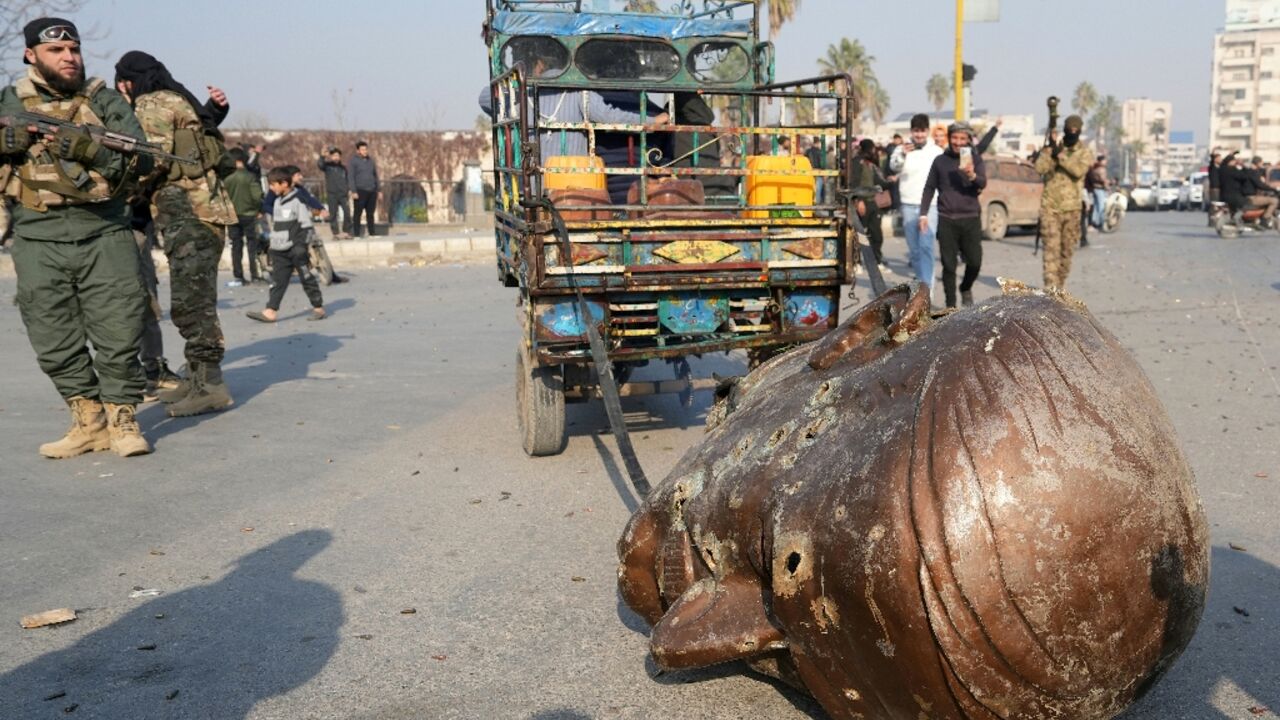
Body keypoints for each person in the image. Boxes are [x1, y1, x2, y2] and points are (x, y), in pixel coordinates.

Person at [0, 18, 153, 457]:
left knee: (119, 327)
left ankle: (122, 418)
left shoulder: (103, 100)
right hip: (37, 235)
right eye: (56, 50)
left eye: (74, 49)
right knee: (51, 333)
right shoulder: (10, 100)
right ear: (31, 55)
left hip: (104, 231)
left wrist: (88, 149)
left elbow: (143, 162)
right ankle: (89, 421)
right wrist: (8, 141)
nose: (69, 57)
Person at [115, 50, 236, 418]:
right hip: (198, 213)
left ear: (128, 82)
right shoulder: (175, 98)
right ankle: (196, 380)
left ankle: (211, 387)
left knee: (192, 305)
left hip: (191, 214)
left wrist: (116, 189)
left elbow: (151, 159)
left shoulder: (151, 103)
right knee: (192, 299)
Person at [920, 122, 988, 308]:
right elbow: (929, 187)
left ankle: (965, 287)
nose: (958, 142)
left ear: (968, 140)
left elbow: (982, 183)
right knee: (949, 266)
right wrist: (923, 214)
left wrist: (972, 175)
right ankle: (950, 306)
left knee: (975, 262)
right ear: (949, 139)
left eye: (962, 138)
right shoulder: (940, 161)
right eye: (955, 138)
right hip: (947, 219)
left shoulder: (975, 159)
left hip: (971, 218)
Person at [246, 167, 326, 323]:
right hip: (279, 250)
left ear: (284, 183)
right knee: (278, 282)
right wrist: (272, 245)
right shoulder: (277, 202)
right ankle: (270, 311)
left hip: (295, 249)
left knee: (307, 278)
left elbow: (306, 227)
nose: (271, 188)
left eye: (273, 184)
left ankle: (318, 308)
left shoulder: (298, 201)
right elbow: (277, 226)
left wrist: (301, 247)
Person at [1034, 114, 1092, 292]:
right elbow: (1039, 168)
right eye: (1069, 129)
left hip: (1072, 209)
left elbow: (1078, 171)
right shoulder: (1052, 149)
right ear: (1065, 129)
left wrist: (1061, 156)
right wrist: (1049, 152)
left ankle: (1060, 283)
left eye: (1075, 130)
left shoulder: (1084, 152)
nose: (1072, 132)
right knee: (1050, 251)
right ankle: (1051, 287)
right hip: (1050, 208)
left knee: (1066, 252)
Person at [888, 113, 944, 300]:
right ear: (911, 131)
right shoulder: (900, 149)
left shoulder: (936, 151)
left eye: (922, 131)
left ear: (927, 131)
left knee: (926, 246)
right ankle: (921, 283)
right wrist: (903, 154)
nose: (919, 135)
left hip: (930, 206)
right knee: (914, 250)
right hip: (908, 204)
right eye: (916, 131)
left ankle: (927, 289)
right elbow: (893, 167)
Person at [223, 147, 264, 286]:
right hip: (250, 215)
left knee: (236, 246)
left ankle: (238, 276)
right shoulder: (250, 177)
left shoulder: (227, 179)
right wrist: (258, 209)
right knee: (253, 245)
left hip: (232, 216)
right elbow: (257, 196)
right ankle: (255, 274)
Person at [854, 138, 890, 268]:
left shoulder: (871, 163)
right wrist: (858, 200)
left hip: (873, 202)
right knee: (860, 235)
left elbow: (879, 181)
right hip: (863, 202)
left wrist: (890, 181)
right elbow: (854, 182)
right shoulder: (857, 162)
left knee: (876, 234)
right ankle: (856, 261)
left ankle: (876, 260)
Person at [317, 146, 351, 238]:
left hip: (343, 194)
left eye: (338, 156)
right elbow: (320, 165)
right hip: (332, 193)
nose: (336, 157)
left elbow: (348, 180)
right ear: (331, 157)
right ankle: (335, 233)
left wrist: (349, 189)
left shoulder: (343, 168)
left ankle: (346, 231)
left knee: (347, 213)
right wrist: (322, 156)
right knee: (333, 214)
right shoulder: (327, 166)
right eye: (334, 156)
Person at [348, 140, 378, 237]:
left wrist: (378, 189)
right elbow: (351, 177)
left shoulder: (371, 161)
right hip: (360, 190)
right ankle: (356, 234)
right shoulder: (353, 161)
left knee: (370, 213)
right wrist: (353, 191)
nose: (365, 151)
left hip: (371, 190)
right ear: (358, 151)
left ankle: (372, 233)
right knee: (358, 213)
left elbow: (375, 175)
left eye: (366, 149)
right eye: (362, 149)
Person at [1085, 155, 1108, 228]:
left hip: (1094, 188)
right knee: (1101, 206)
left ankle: (1093, 221)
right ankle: (1101, 222)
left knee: (1095, 206)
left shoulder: (1094, 169)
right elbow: (1103, 179)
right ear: (1101, 161)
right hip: (1100, 189)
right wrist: (1107, 186)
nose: (1106, 162)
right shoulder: (1101, 169)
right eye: (1104, 160)